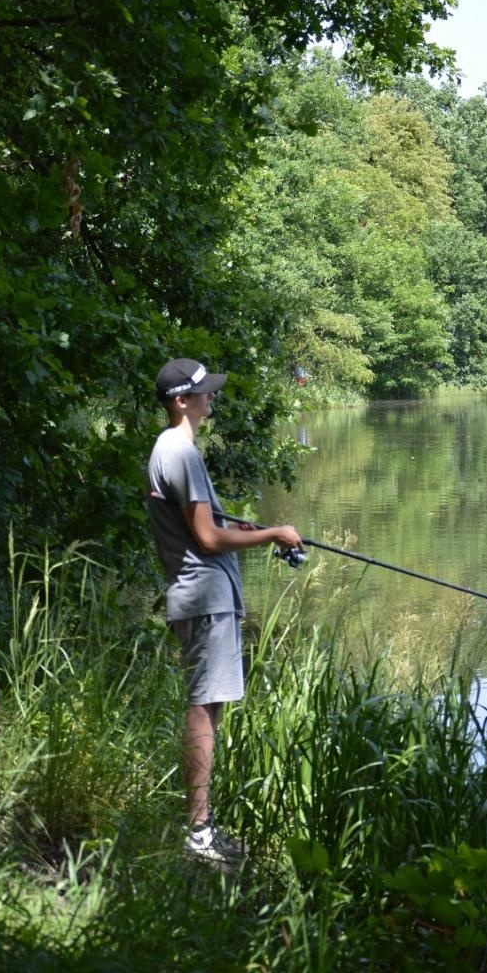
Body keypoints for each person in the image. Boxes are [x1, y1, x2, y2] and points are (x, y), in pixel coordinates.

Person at [144, 357, 302, 864]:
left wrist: (247, 530)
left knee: (207, 705)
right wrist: (273, 534)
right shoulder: (180, 453)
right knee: (204, 706)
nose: (212, 398)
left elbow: (202, 526)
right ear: (180, 401)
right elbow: (209, 539)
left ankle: (202, 827)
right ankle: (198, 831)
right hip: (203, 597)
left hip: (200, 595)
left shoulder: (170, 450)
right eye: (204, 392)